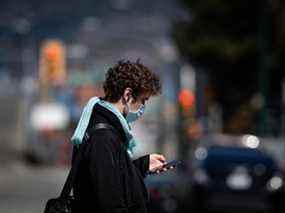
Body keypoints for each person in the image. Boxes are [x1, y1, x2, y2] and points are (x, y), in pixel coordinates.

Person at [71, 60, 166, 213]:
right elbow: (110, 200)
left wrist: (143, 165)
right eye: (143, 100)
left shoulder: (106, 129)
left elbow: (113, 176)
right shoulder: (103, 137)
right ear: (127, 95)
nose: (143, 108)